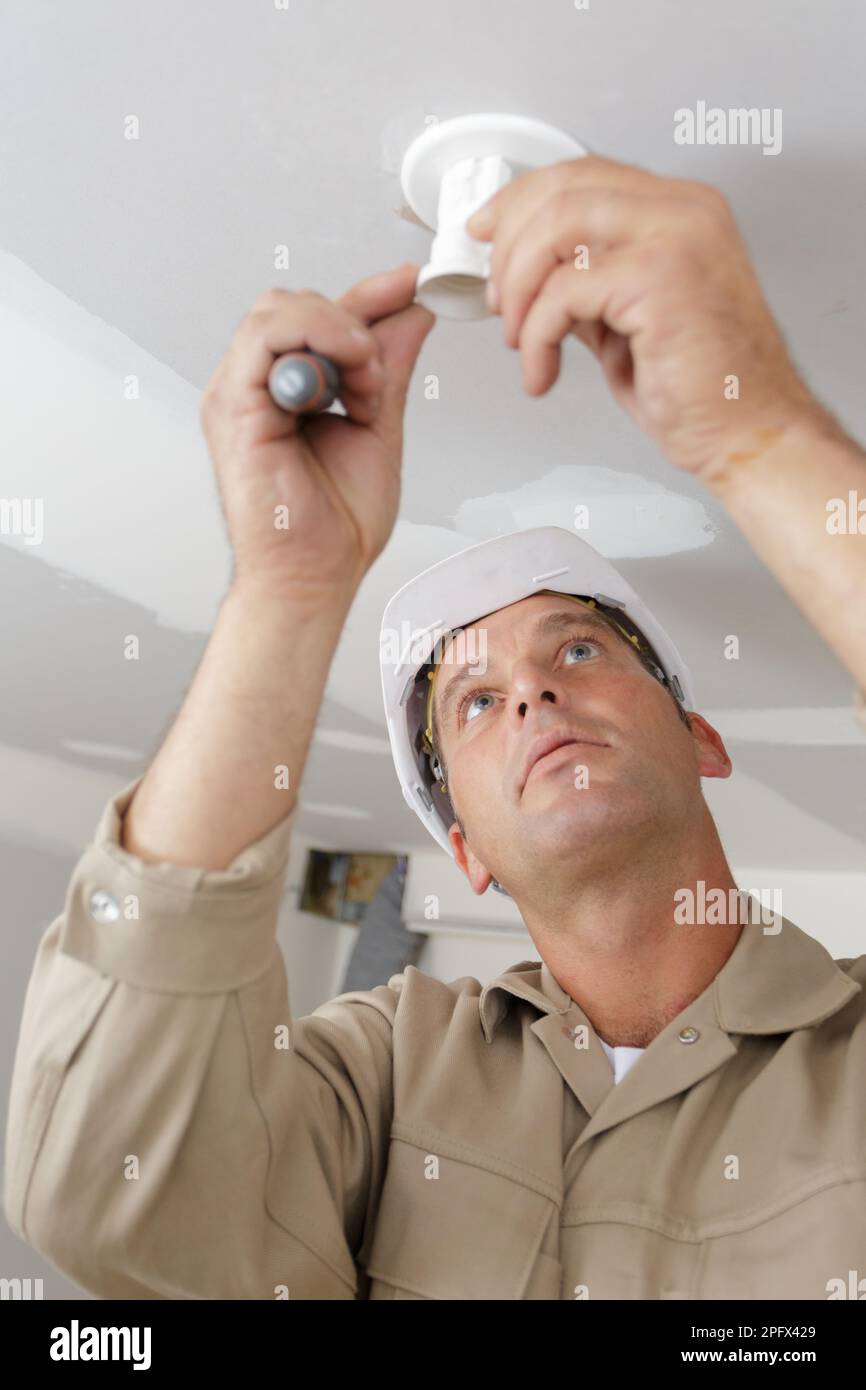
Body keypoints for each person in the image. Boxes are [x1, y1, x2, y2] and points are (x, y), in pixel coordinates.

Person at [4, 156, 866, 1300]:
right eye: (474, 701)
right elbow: (108, 1194)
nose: (531, 694)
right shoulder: (384, 1072)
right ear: (463, 849)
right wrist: (285, 590)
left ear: (700, 738)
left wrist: (753, 432)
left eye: (576, 649)